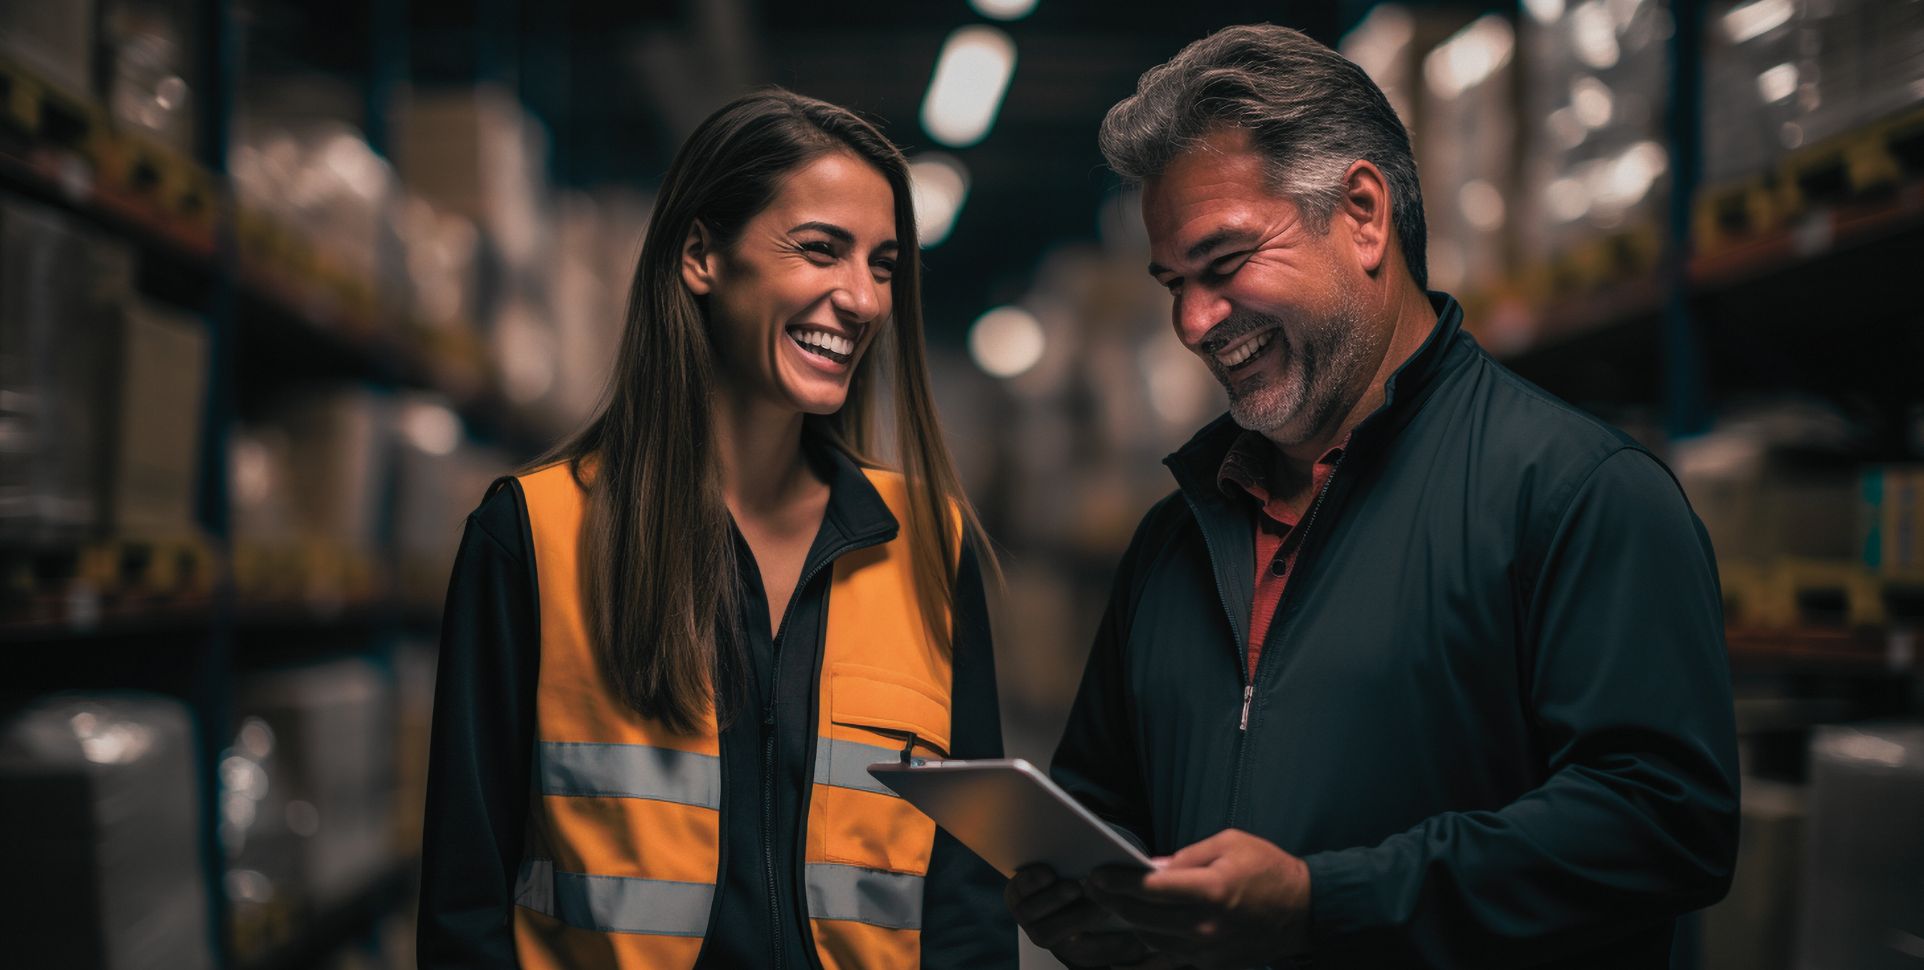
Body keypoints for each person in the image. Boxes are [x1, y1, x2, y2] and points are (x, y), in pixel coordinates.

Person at [1006, 24, 1739, 969]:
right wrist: (1084, 897)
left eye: (1224, 264)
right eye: (1174, 284)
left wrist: (1324, 902)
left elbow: (1660, 825)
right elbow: (1105, 799)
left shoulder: (1575, 496)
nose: (1193, 322)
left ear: (1362, 214)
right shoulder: (1173, 541)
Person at [418, 89, 1015, 970]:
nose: (861, 298)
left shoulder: (930, 544)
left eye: (883, 264)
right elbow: (466, 907)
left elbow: (966, 905)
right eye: (820, 250)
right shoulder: (534, 534)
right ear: (701, 255)